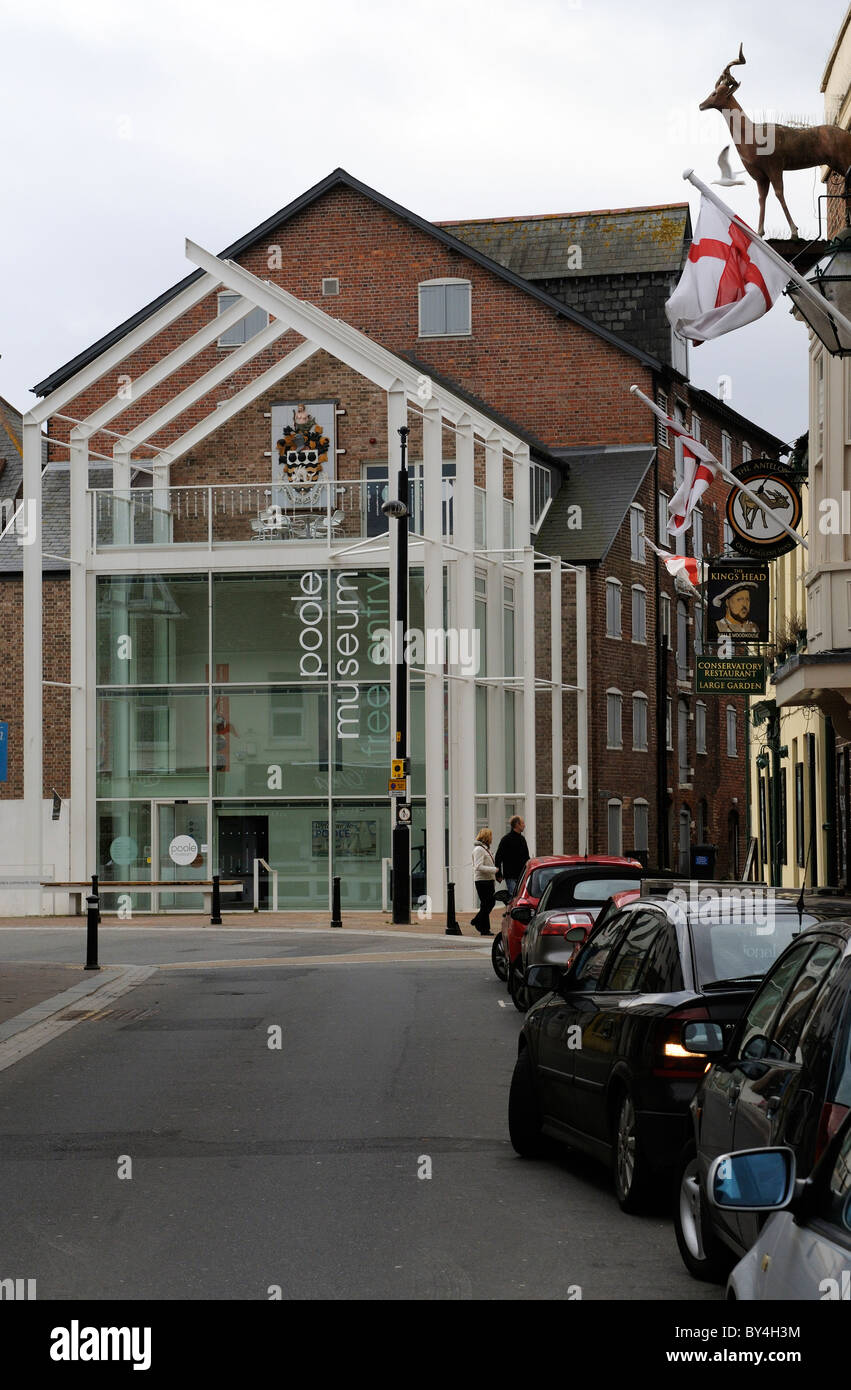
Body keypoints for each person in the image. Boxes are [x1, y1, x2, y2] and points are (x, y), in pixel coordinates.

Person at [494, 816, 531, 899]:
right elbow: (498, 857)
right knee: (514, 898)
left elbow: (527, 857)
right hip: (511, 875)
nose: (524, 825)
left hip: (522, 875)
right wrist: (498, 874)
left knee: (521, 897)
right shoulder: (506, 839)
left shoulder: (522, 839)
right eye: (523, 823)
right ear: (517, 825)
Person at [471, 828, 498, 936]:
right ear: (487, 837)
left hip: (488, 880)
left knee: (486, 904)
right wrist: (494, 870)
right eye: (490, 836)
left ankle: (484, 929)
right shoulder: (479, 850)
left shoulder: (484, 849)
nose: (492, 838)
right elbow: (478, 866)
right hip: (482, 881)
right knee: (489, 903)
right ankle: (477, 921)